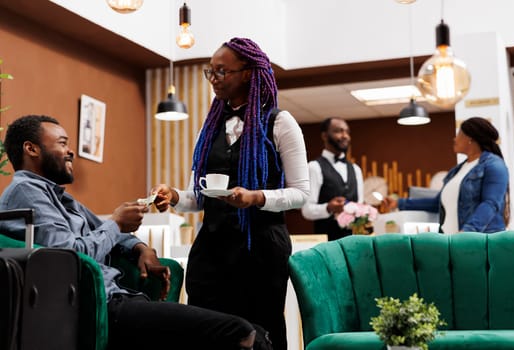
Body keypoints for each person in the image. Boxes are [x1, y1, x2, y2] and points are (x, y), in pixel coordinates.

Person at [0, 114, 272, 350]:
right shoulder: (25, 192)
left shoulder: (61, 197)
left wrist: (140, 248)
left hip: (118, 298)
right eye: (62, 143)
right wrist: (116, 223)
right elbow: (68, 255)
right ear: (31, 149)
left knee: (255, 332)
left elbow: (108, 234)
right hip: (100, 307)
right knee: (240, 333)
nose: (70, 151)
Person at [152, 37, 309, 350]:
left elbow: (301, 193)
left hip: (260, 249)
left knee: (260, 332)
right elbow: (199, 197)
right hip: (212, 249)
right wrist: (174, 196)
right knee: (205, 329)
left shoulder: (280, 123)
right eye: (210, 72)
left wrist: (256, 198)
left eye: (221, 72)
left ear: (248, 73)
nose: (214, 79)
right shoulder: (209, 128)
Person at [384, 116, 509, 234]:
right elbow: (436, 203)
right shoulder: (458, 170)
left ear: (470, 138)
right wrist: (399, 203)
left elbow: (491, 203)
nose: (455, 139)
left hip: (477, 242)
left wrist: (468, 232)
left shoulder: (494, 165)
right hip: (451, 240)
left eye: (459, 134)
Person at [301, 117, 364, 241]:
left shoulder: (356, 169)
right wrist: (328, 208)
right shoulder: (314, 167)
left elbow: (359, 205)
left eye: (347, 132)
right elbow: (307, 210)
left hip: (353, 241)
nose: (345, 136)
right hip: (326, 243)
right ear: (325, 136)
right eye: (338, 131)